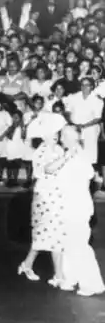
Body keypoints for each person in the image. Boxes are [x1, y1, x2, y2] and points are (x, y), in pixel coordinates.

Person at [47, 126, 105, 296]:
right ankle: (70, 278)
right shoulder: (65, 155)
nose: (61, 138)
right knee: (67, 243)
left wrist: (72, 157)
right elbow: (49, 169)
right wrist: (66, 157)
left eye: (64, 135)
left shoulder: (82, 156)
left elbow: (87, 176)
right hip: (64, 205)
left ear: (74, 138)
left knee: (79, 244)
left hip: (78, 206)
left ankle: (92, 284)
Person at [18, 114, 67, 283]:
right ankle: (32, 266)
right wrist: (66, 157)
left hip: (58, 193)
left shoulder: (59, 149)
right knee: (44, 234)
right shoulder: (40, 152)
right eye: (51, 132)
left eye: (57, 133)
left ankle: (53, 272)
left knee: (56, 233)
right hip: (45, 195)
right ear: (44, 134)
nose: (55, 135)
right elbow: (48, 170)